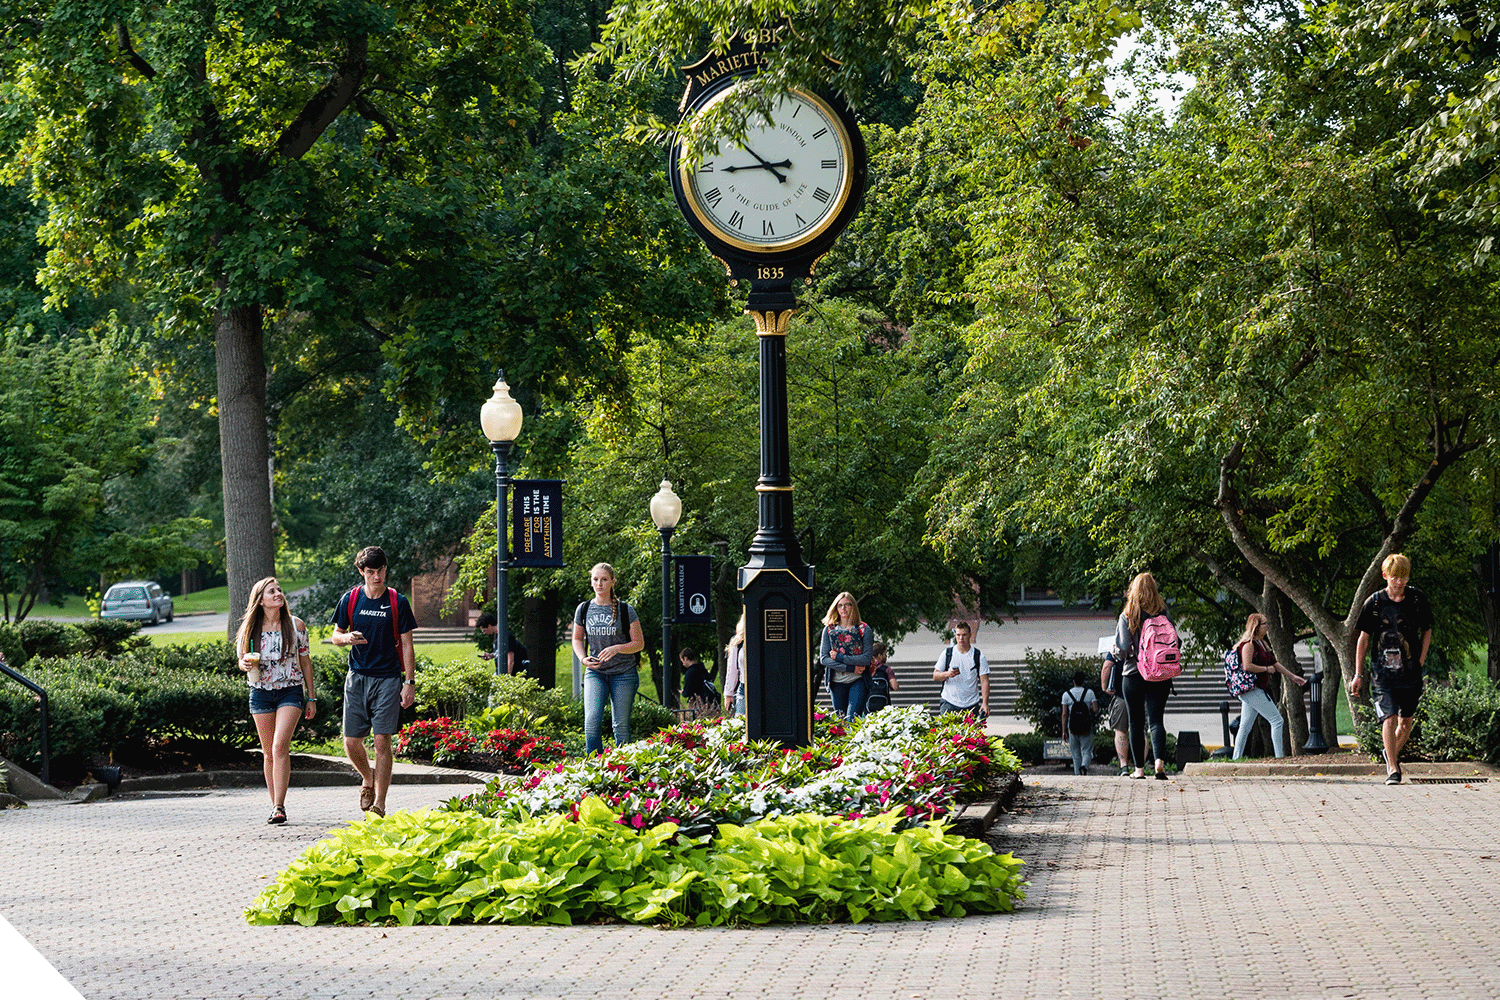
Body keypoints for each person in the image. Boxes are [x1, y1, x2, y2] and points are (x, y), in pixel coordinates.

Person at [330, 546, 417, 818]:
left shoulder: (397, 601)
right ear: (361, 572)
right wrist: (346, 639)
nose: (376, 576)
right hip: (357, 676)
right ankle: (368, 777)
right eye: (370, 572)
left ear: (385, 570)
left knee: (382, 741)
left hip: (388, 678)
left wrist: (409, 682)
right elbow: (335, 635)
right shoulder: (351, 599)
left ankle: (379, 802)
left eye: (380, 571)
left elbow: (407, 644)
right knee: (351, 742)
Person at [235, 577, 315, 825]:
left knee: (280, 746)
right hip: (260, 691)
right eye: (272, 591)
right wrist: (243, 663)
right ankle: (274, 807)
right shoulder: (249, 628)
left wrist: (311, 697)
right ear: (260, 600)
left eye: (279, 590)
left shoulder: (295, 625)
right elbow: (241, 660)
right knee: (268, 752)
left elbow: (305, 662)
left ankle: (280, 805)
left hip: (290, 690)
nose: (278, 594)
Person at [1349, 553, 1434, 785]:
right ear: (1385, 576)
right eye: (1395, 577)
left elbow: (1427, 630)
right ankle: (1393, 768)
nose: (1399, 581)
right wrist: (1358, 674)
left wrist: (1420, 661)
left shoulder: (1417, 599)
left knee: (1406, 723)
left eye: (1404, 577)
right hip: (1382, 673)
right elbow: (1363, 639)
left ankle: (1390, 752)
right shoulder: (1374, 603)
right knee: (1389, 718)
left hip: (1410, 672)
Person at [572, 563, 646, 754]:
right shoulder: (584, 608)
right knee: (591, 722)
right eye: (595, 579)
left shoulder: (625, 609)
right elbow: (577, 639)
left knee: (620, 726)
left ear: (612, 582)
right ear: (591, 581)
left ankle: (623, 771)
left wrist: (617, 648)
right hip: (595, 673)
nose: (600, 584)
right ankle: (595, 771)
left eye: (604, 579)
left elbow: (639, 643)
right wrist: (582, 658)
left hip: (623, 673)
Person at [1112, 572, 1174, 780]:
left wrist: (1116, 651)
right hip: (1160, 673)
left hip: (1133, 673)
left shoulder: (1128, 614)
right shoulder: (1164, 612)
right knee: (1157, 721)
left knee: (1136, 723)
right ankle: (1159, 763)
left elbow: (1121, 648)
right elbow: (1176, 642)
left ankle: (1138, 770)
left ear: (1133, 591)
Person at [1231, 613, 1309, 759]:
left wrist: (1292, 676)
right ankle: (1279, 757)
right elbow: (1247, 666)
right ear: (1256, 626)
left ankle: (1236, 759)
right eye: (1265, 624)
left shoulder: (1262, 643)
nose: (1268, 626)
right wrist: (1265, 669)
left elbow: (1274, 663)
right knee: (1277, 720)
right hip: (1251, 689)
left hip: (1256, 689)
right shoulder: (1248, 645)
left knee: (1245, 727)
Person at [819, 591, 873, 720]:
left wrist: (839, 657)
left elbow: (866, 659)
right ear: (835, 608)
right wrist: (850, 668)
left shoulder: (864, 629)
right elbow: (824, 659)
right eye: (840, 605)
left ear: (853, 607)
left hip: (858, 680)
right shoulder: (829, 629)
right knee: (841, 722)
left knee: (852, 719)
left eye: (847, 605)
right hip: (836, 682)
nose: (843, 608)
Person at [932, 621, 989, 722]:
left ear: (970, 635)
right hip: (949, 702)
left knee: (970, 736)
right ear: (955, 635)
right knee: (947, 735)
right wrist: (947, 674)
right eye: (958, 635)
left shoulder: (978, 656)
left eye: (964, 635)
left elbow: (984, 681)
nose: (961, 638)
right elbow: (935, 675)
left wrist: (985, 703)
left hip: (971, 704)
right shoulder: (947, 653)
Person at [1099, 654, 1141, 776]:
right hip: (1142, 696)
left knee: (1120, 731)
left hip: (1122, 694)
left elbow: (1107, 666)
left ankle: (1124, 767)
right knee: (1141, 731)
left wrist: (1104, 686)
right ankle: (1140, 767)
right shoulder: (1146, 640)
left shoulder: (1120, 643)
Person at [1060, 670, 1098, 775]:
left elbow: (1064, 714)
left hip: (1072, 728)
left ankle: (1078, 774)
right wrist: (1090, 706)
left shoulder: (1066, 695)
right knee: (1087, 751)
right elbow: (1095, 709)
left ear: (1073, 681)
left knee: (1075, 753)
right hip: (1086, 726)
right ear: (1083, 681)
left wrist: (1064, 731)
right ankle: (1084, 766)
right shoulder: (1089, 693)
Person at [865, 641, 900, 714]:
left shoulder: (866, 668)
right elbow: (895, 687)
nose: (886, 656)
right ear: (879, 655)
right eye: (885, 654)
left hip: (867, 707)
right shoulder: (887, 670)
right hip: (884, 708)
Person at [723, 612, 747, 718]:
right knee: (741, 721)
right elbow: (732, 669)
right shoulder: (738, 642)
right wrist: (728, 694)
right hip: (743, 688)